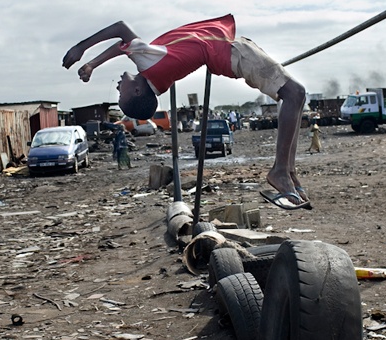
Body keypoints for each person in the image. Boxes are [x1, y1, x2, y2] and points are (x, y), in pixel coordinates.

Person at [63, 14, 309, 209]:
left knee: (296, 96)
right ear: (137, 92)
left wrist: (93, 63)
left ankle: (288, 170)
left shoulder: (151, 68)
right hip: (234, 53)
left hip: (234, 49)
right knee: (294, 94)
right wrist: (81, 47)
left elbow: (121, 44)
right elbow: (120, 27)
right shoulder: (148, 65)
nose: (117, 87)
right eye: (121, 93)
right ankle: (280, 171)